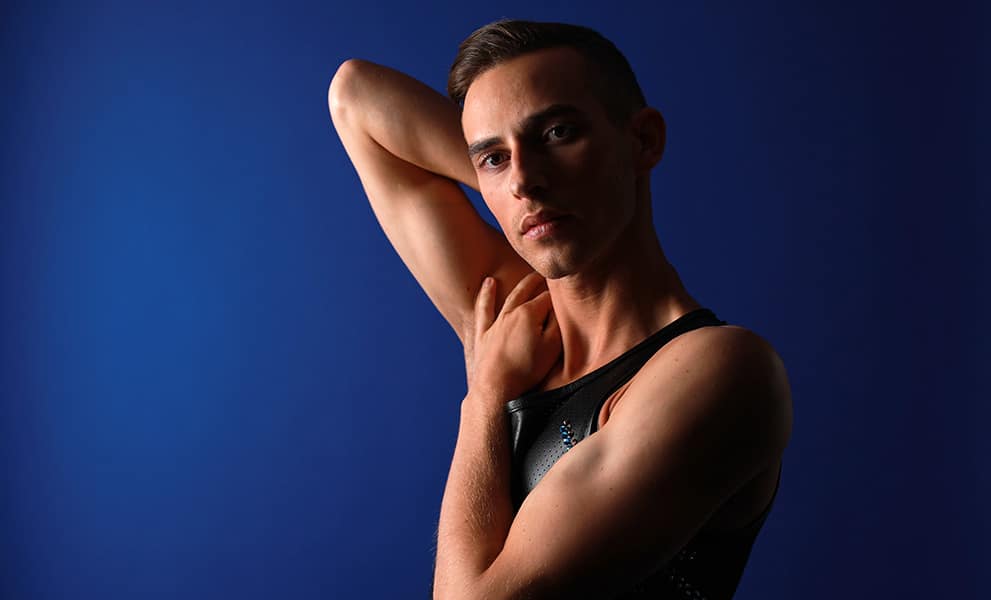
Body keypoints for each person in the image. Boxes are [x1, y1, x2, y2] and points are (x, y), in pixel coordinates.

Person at [328, 20, 792, 600]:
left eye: (558, 131)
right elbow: (355, 95)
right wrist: (518, 173)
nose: (525, 180)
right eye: (494, 159)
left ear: (643, 140)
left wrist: (486, 398)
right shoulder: (517, 318)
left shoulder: (720, 371)